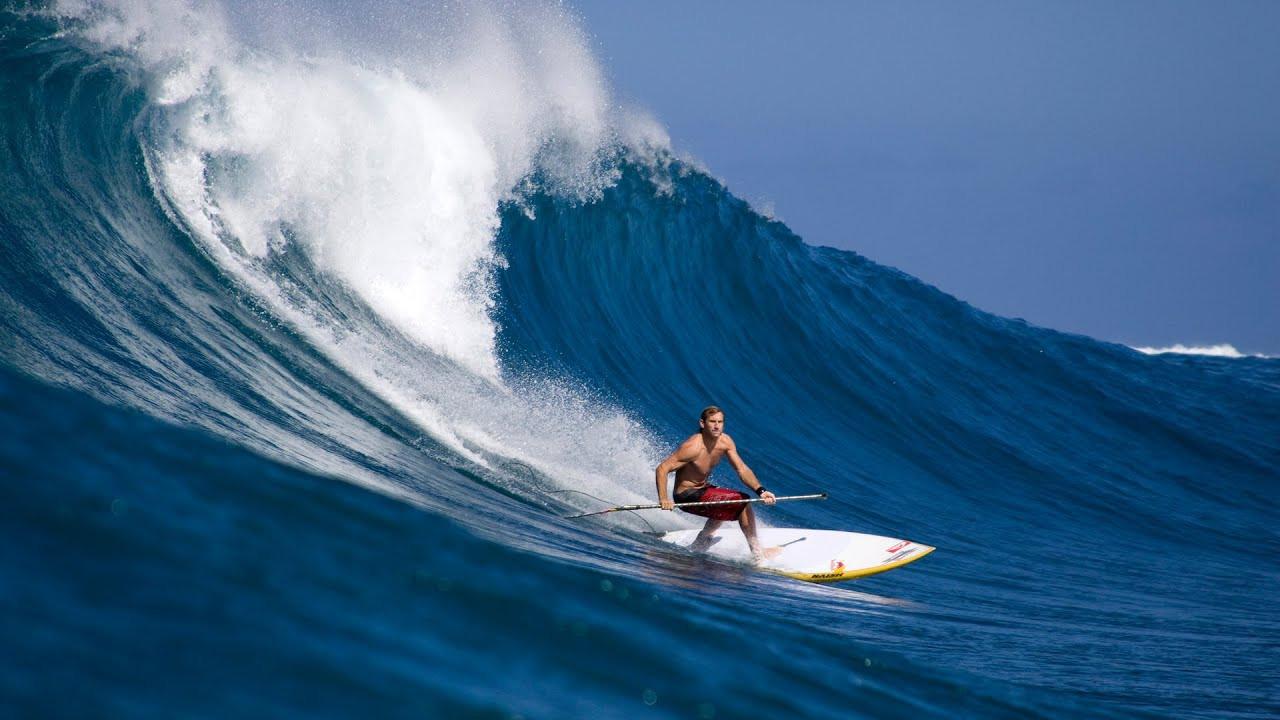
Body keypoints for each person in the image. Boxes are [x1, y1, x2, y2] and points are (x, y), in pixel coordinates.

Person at [655, 406, 780, 562]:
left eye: (720, 422)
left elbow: (741, 469)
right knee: (743, 501)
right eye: (712, 421)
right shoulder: (693, 447)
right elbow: (662, 468)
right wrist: (663, 499)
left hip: (702, 489)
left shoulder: (725, 441)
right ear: (702, 423)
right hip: (686, 496)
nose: (717, 426)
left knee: (723, 501)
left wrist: (761, 491)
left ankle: (702, 539)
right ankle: (757, 553)